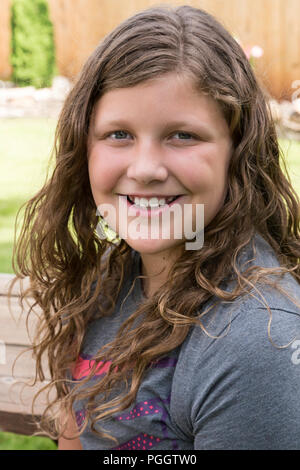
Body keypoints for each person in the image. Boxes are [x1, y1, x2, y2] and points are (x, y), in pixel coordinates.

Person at [9, 4, 300, 450]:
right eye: (119, 134)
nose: (145, 169)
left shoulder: (255, 340)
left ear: (237, 153)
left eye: (182, 135)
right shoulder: (109, 276)